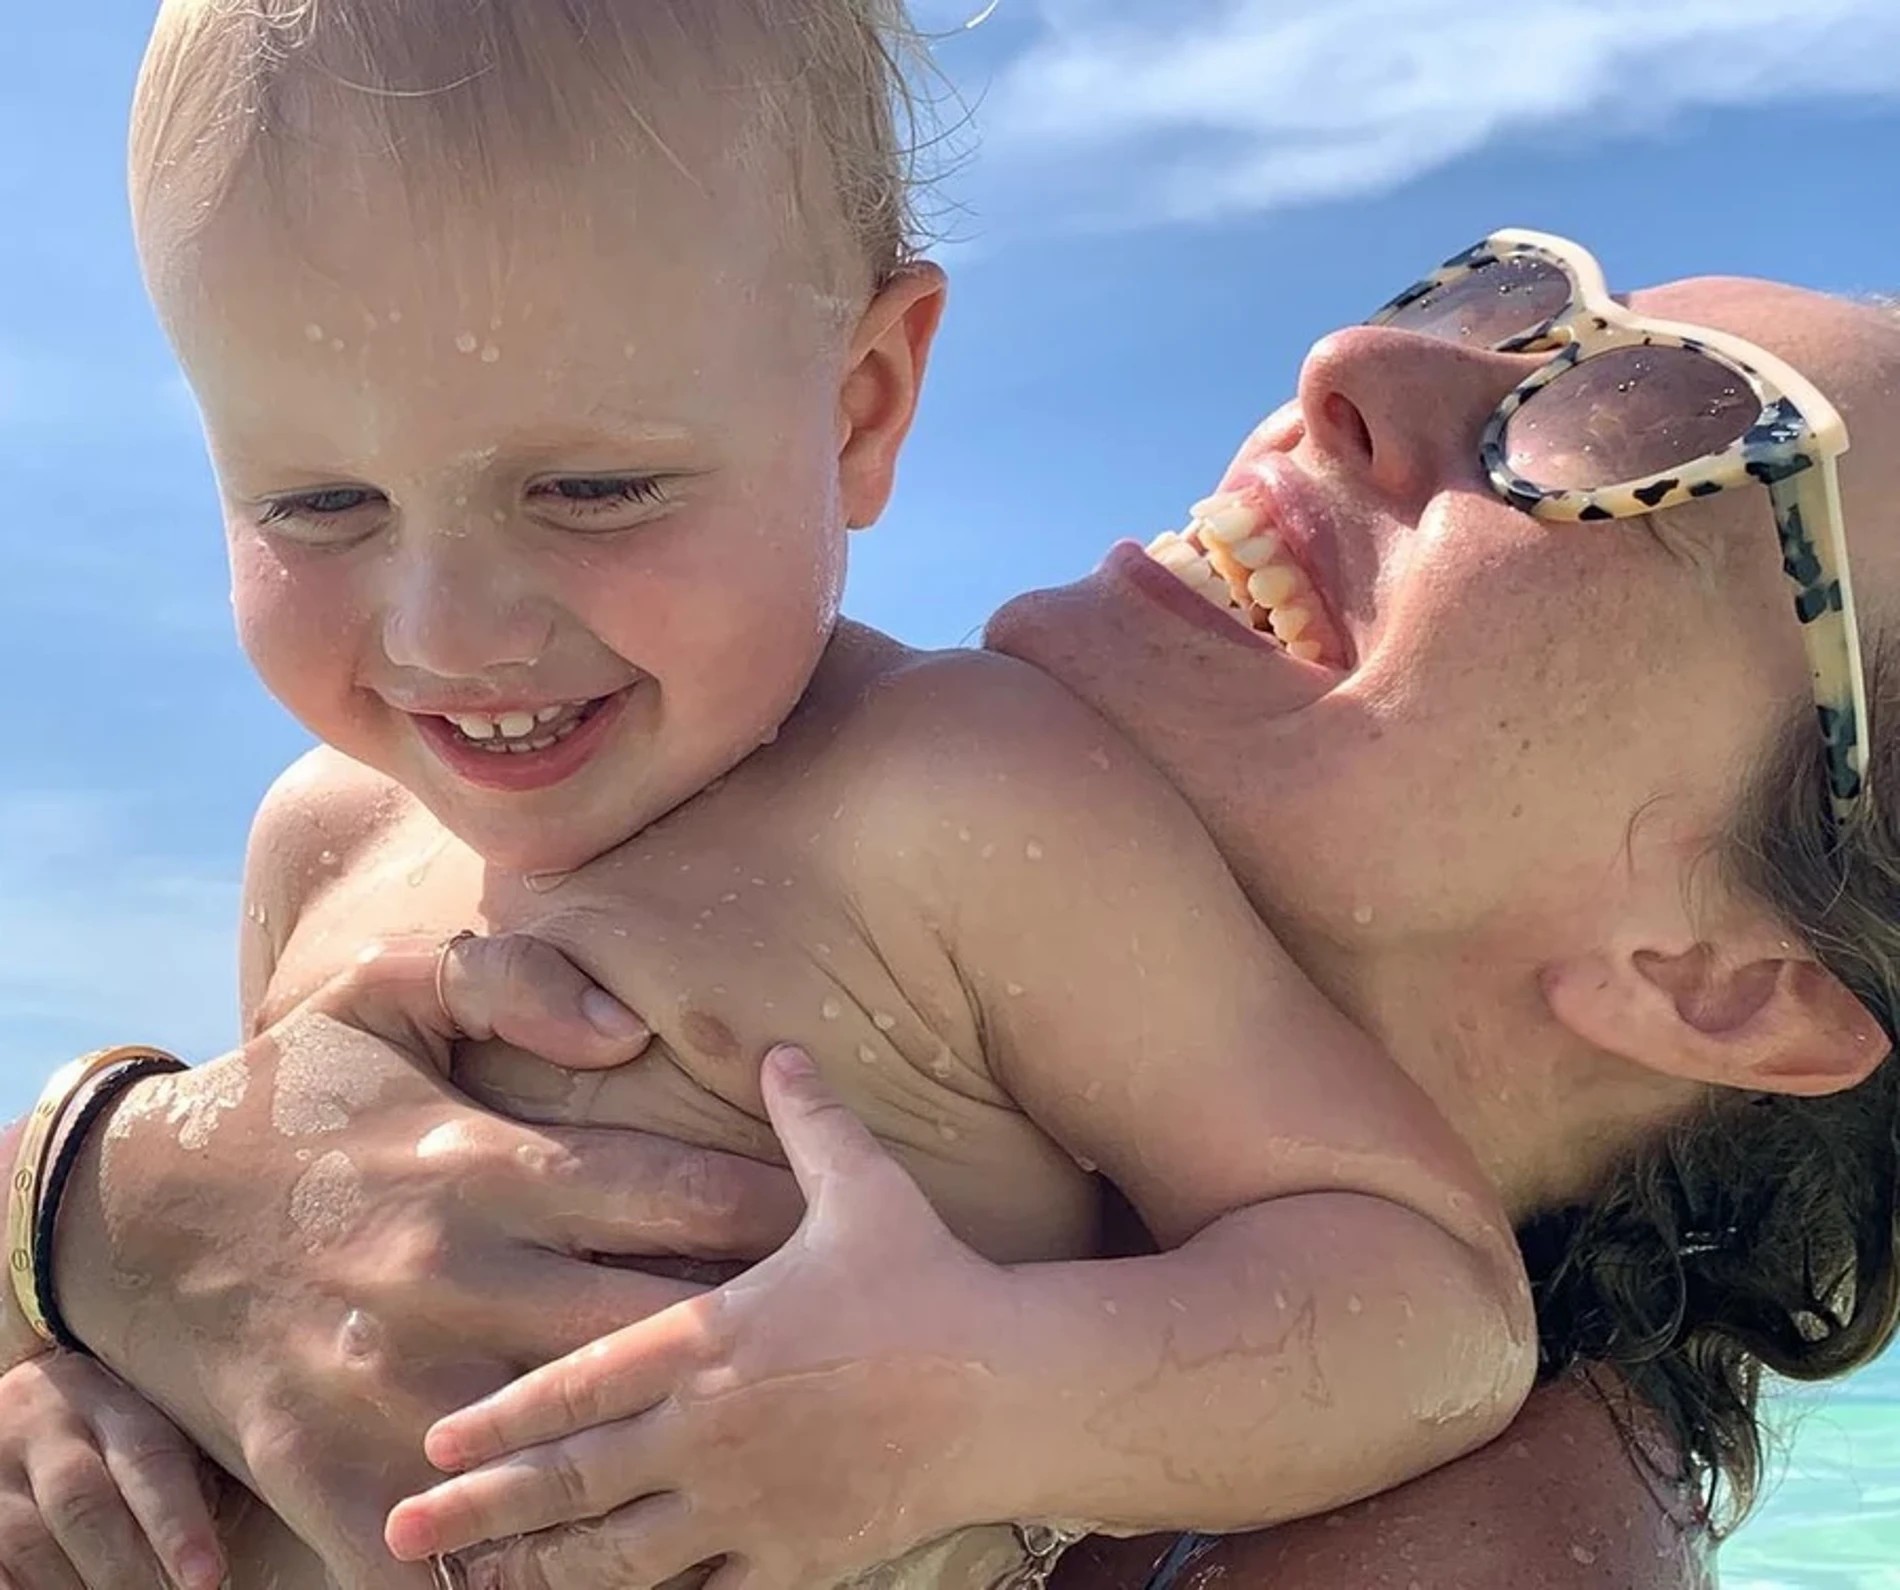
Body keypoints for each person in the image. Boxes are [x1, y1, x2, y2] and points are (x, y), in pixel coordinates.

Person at [4, 8, 1896, 1590]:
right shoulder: (342, 826)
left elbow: (1427, 1323)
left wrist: (975, 1399)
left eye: (1647, 425)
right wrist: (84, 1245)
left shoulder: (1475, 1528)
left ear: (1730, 976)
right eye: (1499, 295)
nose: (1355, 357)